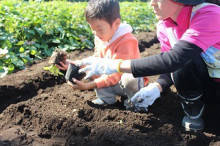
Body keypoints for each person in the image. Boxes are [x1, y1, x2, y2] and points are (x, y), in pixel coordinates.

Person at [77, 0, 220, 131]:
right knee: (184, 60)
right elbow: (169, 67)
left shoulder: (209, 14)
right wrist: (156, 87)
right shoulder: (165, 26)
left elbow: (173, 59)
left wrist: (115, 65)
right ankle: (193, 110)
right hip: (205, 88)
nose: (152, 3)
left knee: (185, 56)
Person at [57, 0, 148, 108]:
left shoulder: (127, 41)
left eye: (99, 29)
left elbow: (117, 73)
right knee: (91, 68)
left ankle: (134, 101)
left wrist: (90, 85)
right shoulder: (100, 37)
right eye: (92, 28)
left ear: (116, 23)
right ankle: (107, 99)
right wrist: (75, 65)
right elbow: (96, 60)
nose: (95, 33)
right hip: (110, 82)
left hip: (128, 83)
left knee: (129, 78)